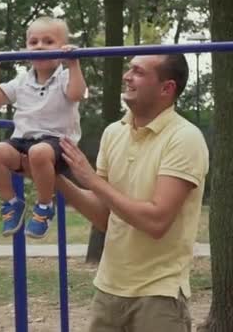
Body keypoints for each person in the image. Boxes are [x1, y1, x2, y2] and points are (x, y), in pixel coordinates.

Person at [56, 54, 209, 331]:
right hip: (108, 290)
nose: (127, 76)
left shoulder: (184, 138)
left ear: (167, 88)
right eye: (129, 69)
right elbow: (104, 216)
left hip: (158, 294)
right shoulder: (114, 133)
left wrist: (91, 180)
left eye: (138, 71)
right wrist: (54, 179)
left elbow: (156, 221)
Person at [0, 16, 87, 239]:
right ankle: (11, 203)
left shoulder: (66, 76)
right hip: (22, 141)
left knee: (38, 152)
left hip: (57, 143)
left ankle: (44, 206)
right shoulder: (22, 80)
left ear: (62, 48)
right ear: (26, 47)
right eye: (33, 42)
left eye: (48, 42)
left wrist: (74, 62)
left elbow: (76, 94)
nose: (40, 46)